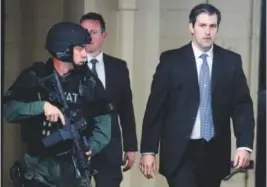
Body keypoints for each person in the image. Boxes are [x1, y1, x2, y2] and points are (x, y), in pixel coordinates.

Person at [139, 3, 255, 187]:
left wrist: (244, 145)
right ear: (191, 27)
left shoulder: (230, 62)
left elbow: (242, 106)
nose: (207, 31)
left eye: (212, 26)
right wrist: (148, 150)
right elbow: (156, 107)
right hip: (180, 152)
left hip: (214, 152)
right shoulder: (171, 61)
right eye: (202, 25)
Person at [4, 22, 113, 187]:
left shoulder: (88, 81)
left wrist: (92, 146)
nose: (85, 53)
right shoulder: (36, 77)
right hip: (39, 167)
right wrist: (41, 107)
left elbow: (104, 122)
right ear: (64, 49)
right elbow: (9, 110)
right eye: (79, 48)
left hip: (73, 168)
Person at [79, 12, 138, 187]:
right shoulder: (72, 66)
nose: (88, 36)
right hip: (80, 143)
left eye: (93, 32)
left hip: (110, 145)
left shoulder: (118, 67)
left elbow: (126, 108)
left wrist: (130, 146)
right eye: (84, 31)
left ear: (104, 35)